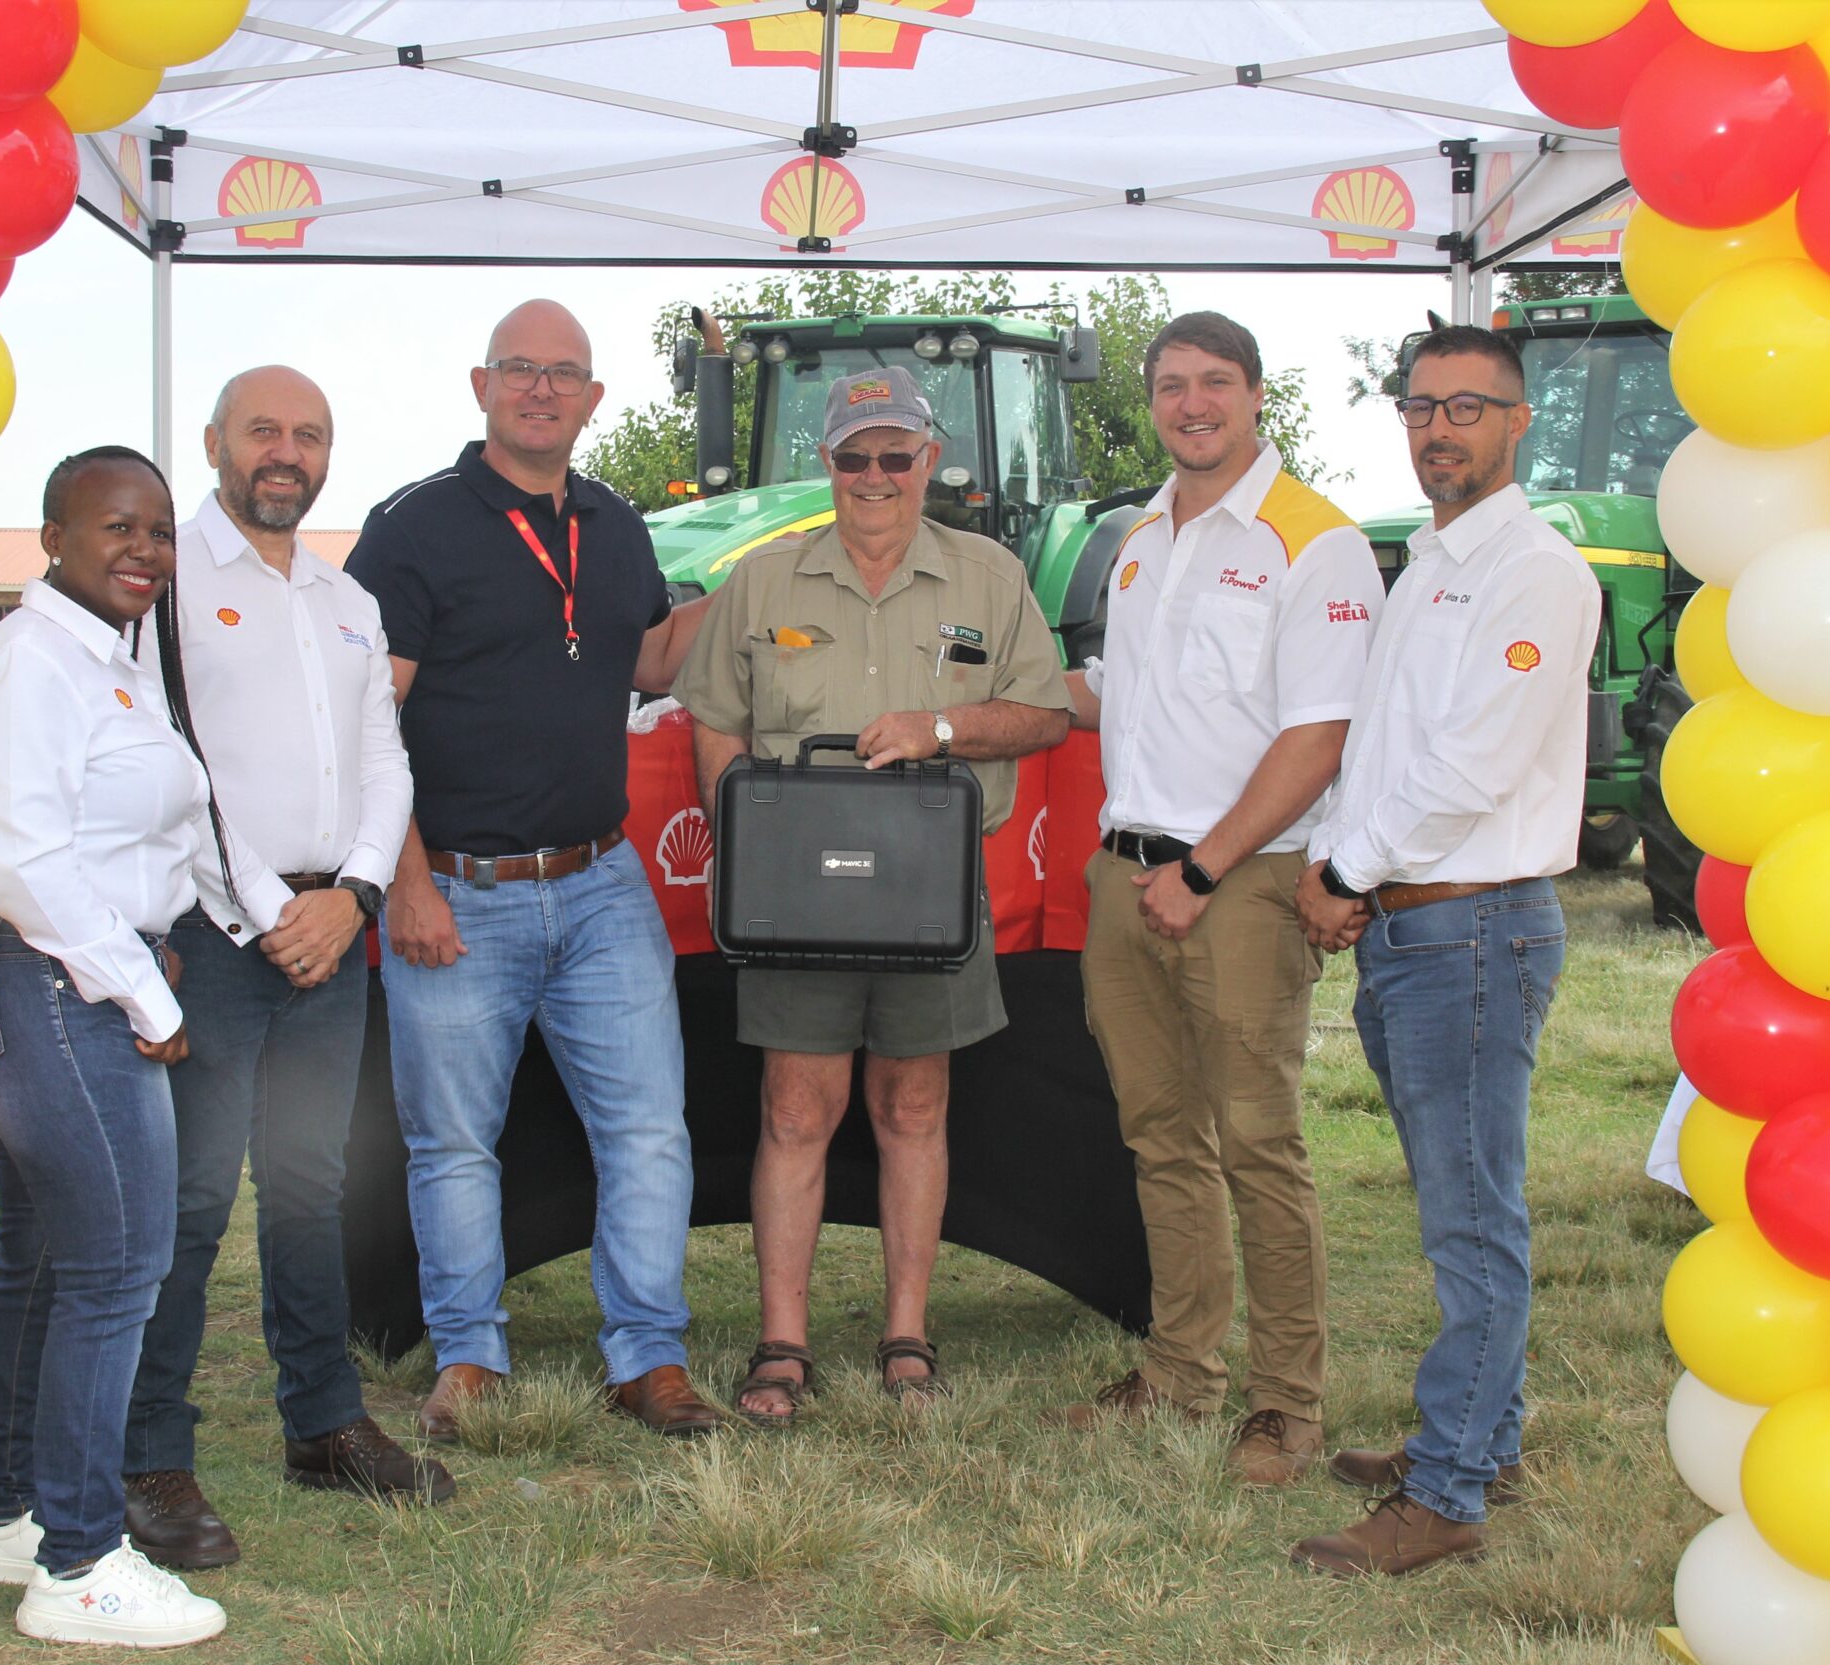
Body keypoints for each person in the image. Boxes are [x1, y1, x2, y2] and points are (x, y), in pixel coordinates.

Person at [0, 446, 302, 1647]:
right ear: (53, 538)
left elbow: (184, 830)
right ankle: (82, 1565)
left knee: (47, 1263)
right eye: (116, 527)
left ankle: (10, 1517)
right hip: (48, 983)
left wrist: (276, 918)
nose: (144, 551)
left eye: (157, 531)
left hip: (71, 977)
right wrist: (148, 997)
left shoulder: (114, 662)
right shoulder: (26, 661)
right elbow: (23, 864)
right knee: (116, 1273)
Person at [343, 300, 720, 1441]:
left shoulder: (615, 523)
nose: (541, 389)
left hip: (603, 885)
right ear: (482, 386)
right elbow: (364, 723)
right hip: (457, 891)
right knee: (455, 1145)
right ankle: (469, 1357)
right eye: (520, 369)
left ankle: (648, 1359)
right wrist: (406, 883)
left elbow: (647, 657)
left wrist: (759, 584)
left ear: (594, 399)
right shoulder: (411, 527)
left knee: (649, 1132)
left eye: (564, 373)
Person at [673, 366, 1070, 1424]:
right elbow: (714, 715)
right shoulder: (763, 581)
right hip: (796, 899)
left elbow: (1044, 714)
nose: (876, 475)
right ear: (829, 463)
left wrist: (943, 729)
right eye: (855, 456)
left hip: (928, 893)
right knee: (794, 1111)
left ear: (930, 459)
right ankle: (782, 1343)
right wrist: (742, 843)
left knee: (913, 1107)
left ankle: (906, 1335)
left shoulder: (990, 577)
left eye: (897, 453)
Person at [118, 367, 446, 1577]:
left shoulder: (346, 598)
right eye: (264, 430)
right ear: (214, 442)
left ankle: (322, 1424)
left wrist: (354, 895)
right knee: (193, 1197)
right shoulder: (166, 584)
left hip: (329, 931)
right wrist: (273, 911)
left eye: (309, 435)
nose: (286, 453)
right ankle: (150, 1453)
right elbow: (171, 762)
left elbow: (385, 761)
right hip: (213, 935)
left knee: (313, 1186)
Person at [1052, 314, 1383, 1483]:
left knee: (1257, 1144)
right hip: (1126, 874)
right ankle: (1180, 1371)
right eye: (1170, 386)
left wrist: (1199, 872)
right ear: (1150, 401)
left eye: (1215, 383)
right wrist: (980, 689)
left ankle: (1285, 1405)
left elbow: (1319, 735)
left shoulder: (1316, 541)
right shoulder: (1143, 535)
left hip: (1236, 882)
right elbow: (1122, 694)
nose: (1191, 404)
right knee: (1160, 1140)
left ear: (1255, 397)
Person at [1290, 323, 1597, 1577]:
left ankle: (1450, 1493)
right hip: (1413, 926)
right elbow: (1383, 754)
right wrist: (1347, 869)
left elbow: (1473, 765)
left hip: (1471, 926)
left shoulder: (1535, 571)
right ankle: (1485, 1439)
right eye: (1420, 407)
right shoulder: (1425, 563)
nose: (1438, 430)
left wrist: (1342, 873)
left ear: (1518, 422)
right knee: (1456, 1205)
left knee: (1473, 1223)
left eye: (1467, 408)